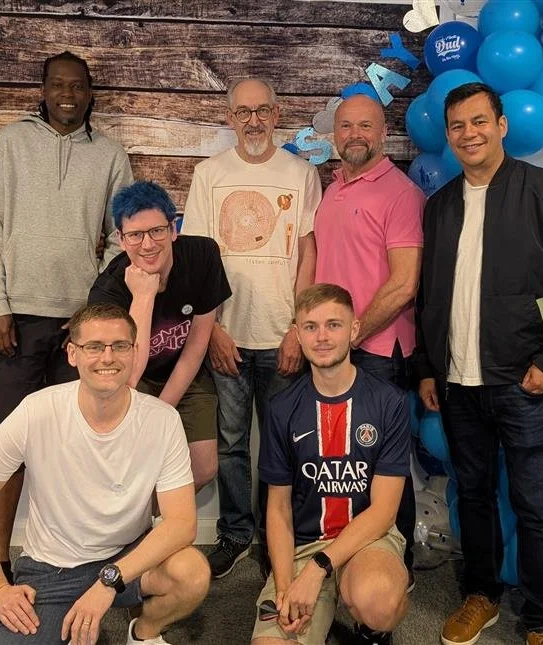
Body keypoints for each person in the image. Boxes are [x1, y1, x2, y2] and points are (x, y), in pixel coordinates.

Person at [414, 82, 543, 645]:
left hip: (522, 383)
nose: (468, 134)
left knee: (533, 504)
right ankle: (481, 595)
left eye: (478, 122)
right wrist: (427, 366)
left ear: (501, 125)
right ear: (448, 135)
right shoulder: (440, 206)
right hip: (456, 385)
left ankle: (542, 621)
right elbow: (429, 297)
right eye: (457, 126)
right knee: (472, 494)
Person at [0, 50, 133, 626]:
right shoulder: (13, 143)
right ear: (42, 88)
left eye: (79, 86)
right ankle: (2, 575)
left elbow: (123, 238)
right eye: (58, 84)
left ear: (90, 93)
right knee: (9, 452)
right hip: (15, 319)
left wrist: (97, 307)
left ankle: (72, 566)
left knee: (72, 451)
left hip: (78, 328)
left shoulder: (111, 154)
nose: (68, 93)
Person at [0, 303, 210, 645]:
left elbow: (181, 524)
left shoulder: (162, 420)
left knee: (191, 574)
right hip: (52, 568)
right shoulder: (37, 410)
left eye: (119, 346)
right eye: (94, 347)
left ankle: (144, 633)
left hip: (127, 555)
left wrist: (109, 581)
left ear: (135, 352)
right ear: (73, 354)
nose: (108, 357)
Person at [181, 77, 322, 578]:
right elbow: (195, 259)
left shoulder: (302, 174)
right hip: (228, 337)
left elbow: (309, 254)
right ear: (229, 118)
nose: (254, 121)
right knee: (231, 441)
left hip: (282, 333)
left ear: (277, 112)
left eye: (262, 110)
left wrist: (298, 329)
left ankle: (278, 537)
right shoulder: (209, 174)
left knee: (285, 443)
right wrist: (213, 329)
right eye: (243, 112)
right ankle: (237, 534)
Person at [252, 283, 410, 645]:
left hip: (369, 538)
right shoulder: (281, 408)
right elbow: (277, 509)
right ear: (297, 334)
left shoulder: (388, 402)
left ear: (354, 329)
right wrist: (284, 586)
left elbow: (384, 511)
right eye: (310, 327)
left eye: (333, 325)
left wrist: (317, 569)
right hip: (304, 544)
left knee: (379, 600)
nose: (321, 337)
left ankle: (371, 630)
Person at [314, 94, 425, 583]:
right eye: (345, 126)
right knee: (343, 463)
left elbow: (404, 283)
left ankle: (396, 568)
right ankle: (347, 561)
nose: (354, 134)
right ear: (334, 134)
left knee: (383, 465)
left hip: (379, 352)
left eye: (366, 125)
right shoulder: (332, 188)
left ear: (384, 134)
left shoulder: (401, 194)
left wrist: (353, 331)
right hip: (338, 349)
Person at [88, 181, 231, 492]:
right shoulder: (108, 291)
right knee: (130, 467)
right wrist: (143, 296)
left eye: (156, 231)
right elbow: (126, 374)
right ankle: (130, 529)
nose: (148, 244)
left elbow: (196, 344)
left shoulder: (202, 255)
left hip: (184, 372)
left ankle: (155, 523)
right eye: (135, 235)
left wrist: (162, 412)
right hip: (131, 382)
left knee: (204, 466)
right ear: (121, 240)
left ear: (173, 230)